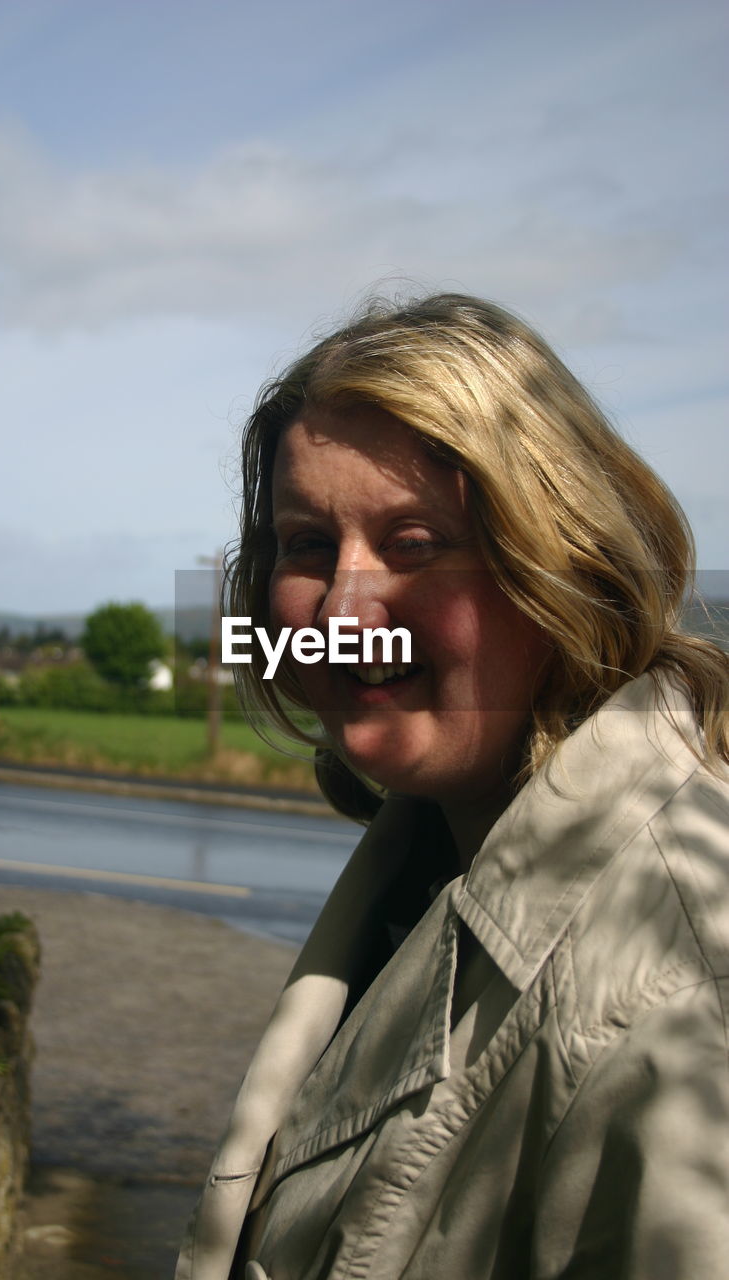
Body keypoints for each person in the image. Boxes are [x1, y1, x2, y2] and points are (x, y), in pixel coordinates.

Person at [176, 294, 729, 1280]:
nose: (343, 612)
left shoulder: (681, 991)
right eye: (308, 545)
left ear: (564, 566)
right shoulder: (434, 842)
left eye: (415, 543)